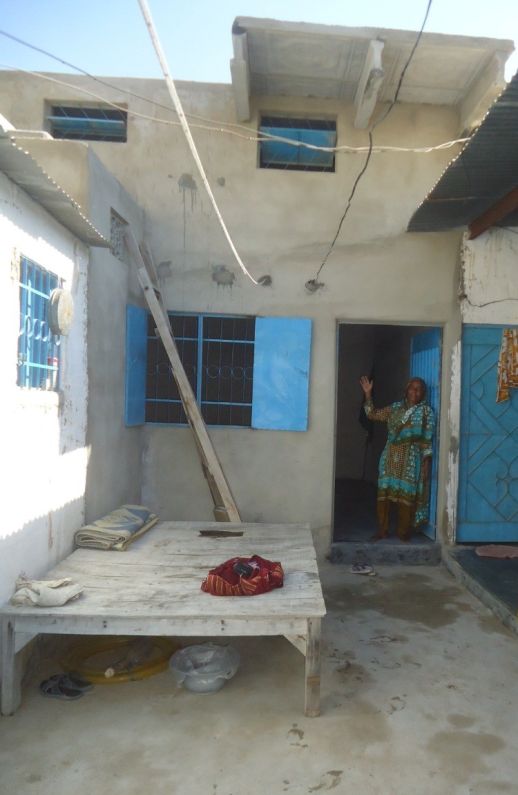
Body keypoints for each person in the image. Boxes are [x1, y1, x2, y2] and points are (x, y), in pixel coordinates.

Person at [359, 375, 435, 542]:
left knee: (406, 495)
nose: (414, 391)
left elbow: (427, 440)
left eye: (419, 389)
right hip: (390, 456)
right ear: (406, 390)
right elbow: (372, 414)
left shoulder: (426, 412)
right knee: (384, 494)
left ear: (423, 393)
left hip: (411, 459)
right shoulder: (394, 408)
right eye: (411, 388)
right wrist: (368, 394)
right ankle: (382, 530)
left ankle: (403, 532)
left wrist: (426, 463)